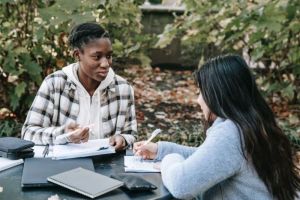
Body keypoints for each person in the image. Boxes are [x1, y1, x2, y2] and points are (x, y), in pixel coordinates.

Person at [134, 55, 300, 199]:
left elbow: (181, 185)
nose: (198, 100)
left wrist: (167, 162)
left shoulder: (231, 133)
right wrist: (160, 150)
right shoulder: (252, 123)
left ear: (218, 94)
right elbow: (210, 158)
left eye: (201, 92)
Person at [22, 22, 137, 151]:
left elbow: (131, 135)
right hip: (62, 166)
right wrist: (64, 134)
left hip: (107, 166)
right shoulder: (54, 83)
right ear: (77, 55)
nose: (105, 64)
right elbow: (28, 134)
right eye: (97, 57)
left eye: (109, 56)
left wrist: (123, 139)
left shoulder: (123, 89)